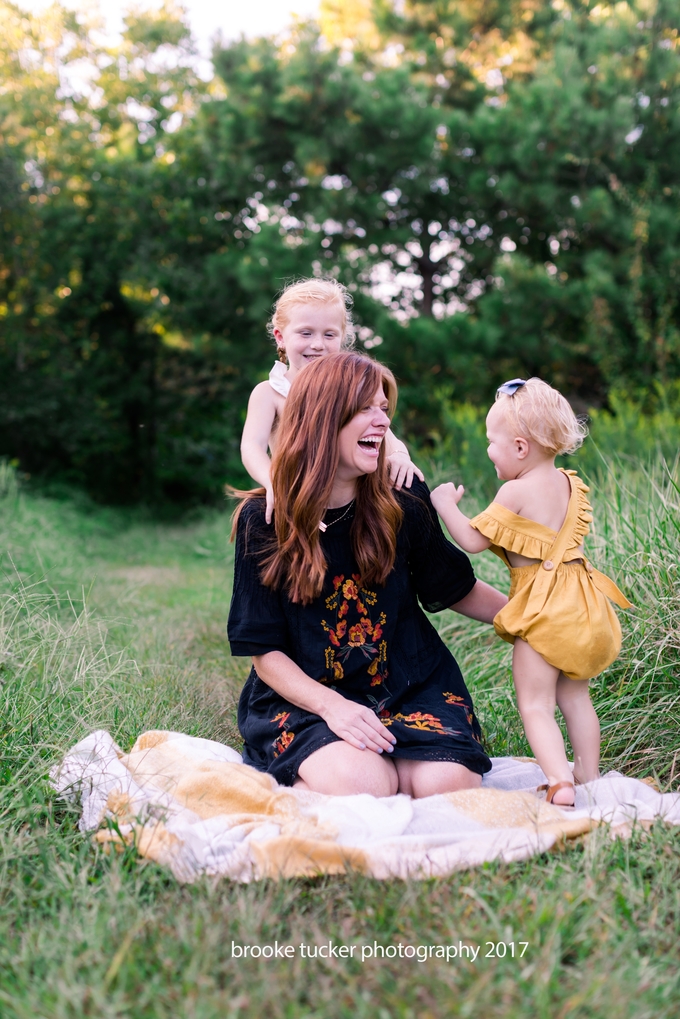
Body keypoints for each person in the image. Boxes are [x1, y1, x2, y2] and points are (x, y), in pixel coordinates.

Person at [228, 351, 507, 797]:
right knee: (363, 783)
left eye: (384, 408)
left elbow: (453, 587)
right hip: (308, 696)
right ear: (321, 419)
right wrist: (333, 708)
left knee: (449, 783)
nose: (381, 422)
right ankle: (356, 760)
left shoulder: (403, 497)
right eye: (364, 409)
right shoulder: (264, 519)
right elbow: (263, 650)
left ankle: (400, 759)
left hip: (410, 684)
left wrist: (534, 621)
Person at [431, 378, 632, 807]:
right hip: (583, 604)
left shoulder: (515, 490)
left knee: (536, 704)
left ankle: (560, 782)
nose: (488, 450)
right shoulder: (569, 484)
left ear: (520, 448)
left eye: (491, 441)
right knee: (577, 698)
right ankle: (589, 773)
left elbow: (471, 539)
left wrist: (445, 503)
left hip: (542, 612)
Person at [240, 277, 422, 523]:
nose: (317, 345)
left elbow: (383, 432)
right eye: (306, 333)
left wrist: (400, 455)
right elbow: (252, 447)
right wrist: (274, 484)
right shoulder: (270, 392)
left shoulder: (351, 390)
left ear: (342, 337)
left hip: (348, 503)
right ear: (280, 337)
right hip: (298, 499)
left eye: (329, 335)